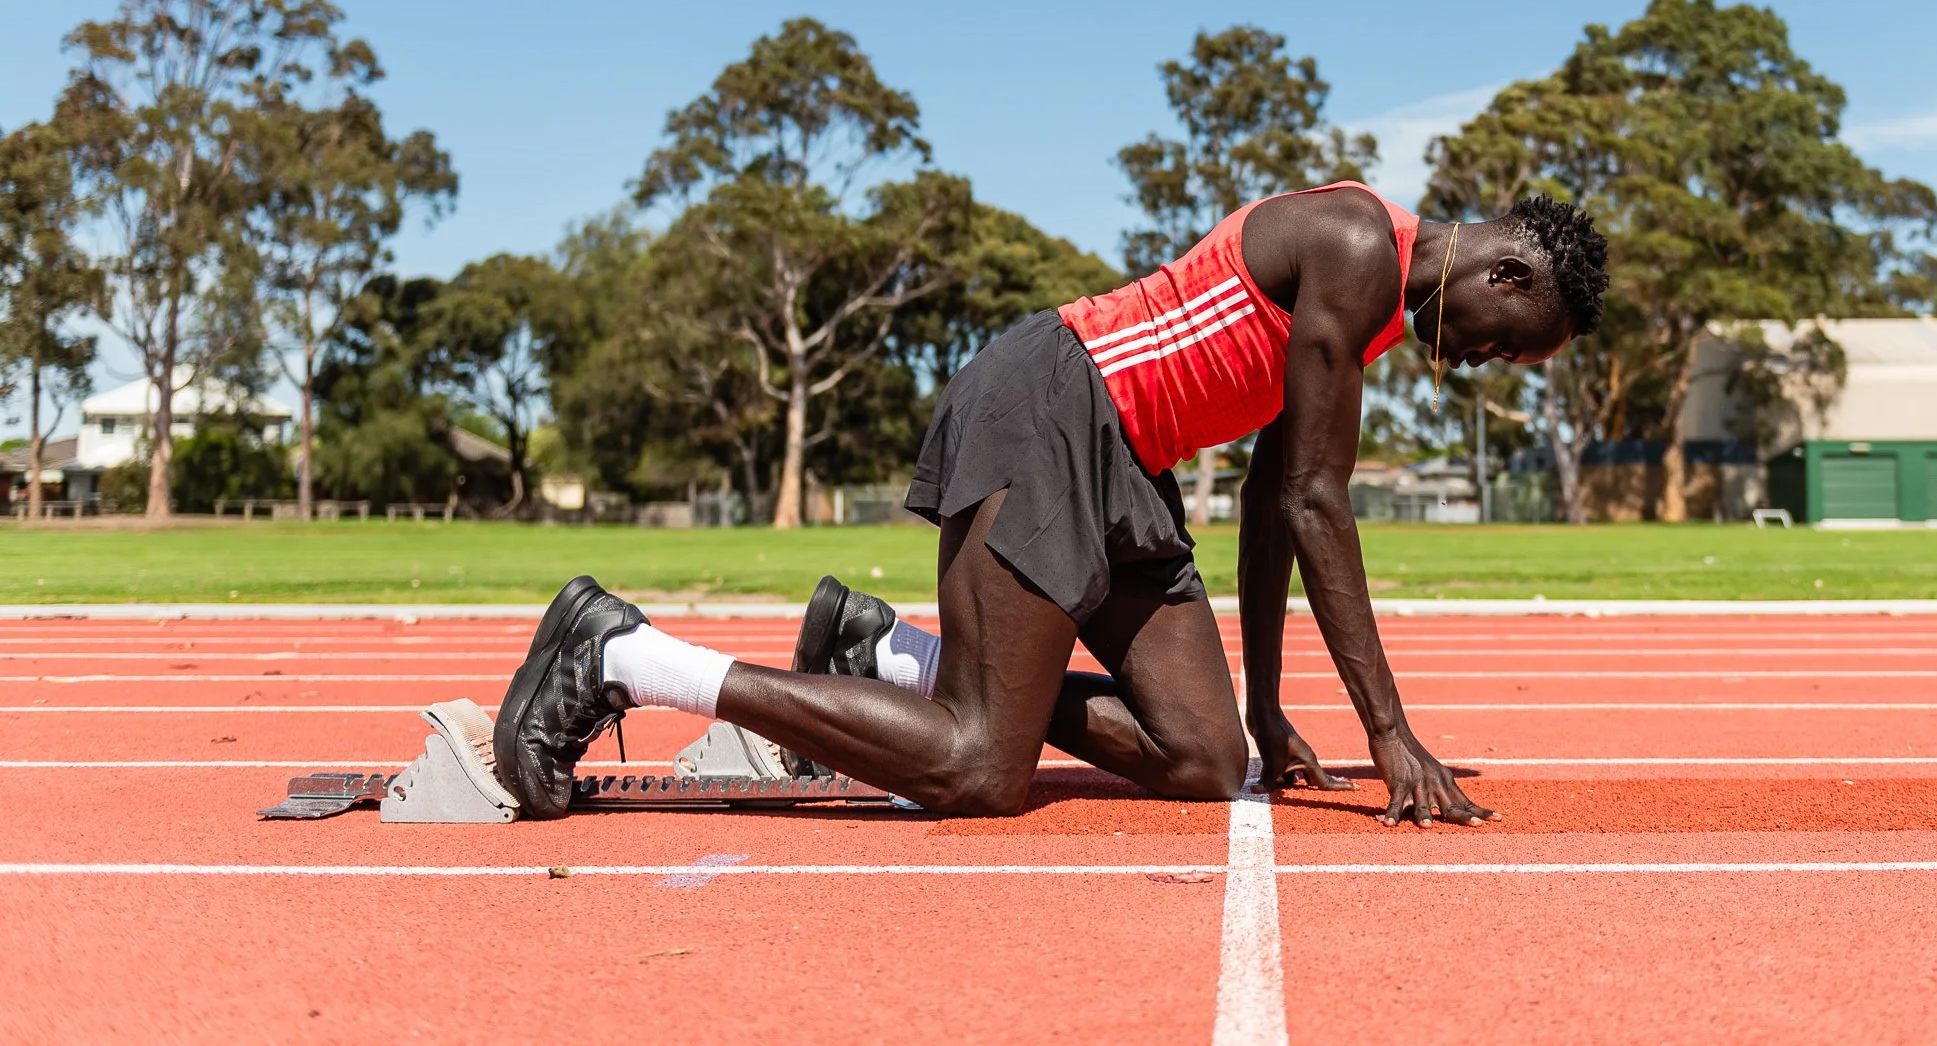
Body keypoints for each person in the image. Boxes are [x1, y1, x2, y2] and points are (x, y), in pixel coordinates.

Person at [493, 182, 1607, 826]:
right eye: (1503, 345)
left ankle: (881, 651)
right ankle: (625, 656)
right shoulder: (1360, 242)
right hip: (1052, 403)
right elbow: (1319, 502)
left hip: (1130, 466)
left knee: (1209, 761)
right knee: (982, 766)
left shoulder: (1361, 320)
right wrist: (1390, 733)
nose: (1479, 363)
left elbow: (1279, 506)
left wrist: (1268, 708)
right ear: (1503, 272)